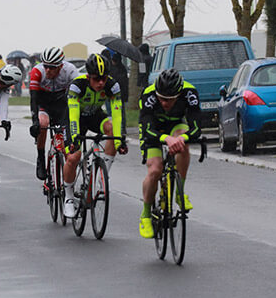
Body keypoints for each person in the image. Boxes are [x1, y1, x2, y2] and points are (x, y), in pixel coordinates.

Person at [138, 68, 201, 239]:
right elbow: (147, 129)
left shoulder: (189, 93)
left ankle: (180, 193)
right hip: (154, 130)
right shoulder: (148, 95)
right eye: (162, 99)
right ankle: (145, 215)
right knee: (155, 171)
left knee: (183, 143)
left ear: (178, 94)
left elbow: (196, 127)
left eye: (170, 100)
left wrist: (182, 139)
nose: (165, 103)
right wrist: (166, 139)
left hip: (175, 126)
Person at [62, 54, 128, 217]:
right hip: (74, 118)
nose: (101, 83)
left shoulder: (112, 86)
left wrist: (120, 140)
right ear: (88, 76)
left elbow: (118, 114)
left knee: (113, 130)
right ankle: (69, 197)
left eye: (104, 79)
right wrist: (75, 138)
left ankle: (101, 176)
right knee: (73, 157)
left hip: (95, 116)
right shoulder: (77, 86)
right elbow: (74, 115)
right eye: (96, 79)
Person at [29, 46, 79, 181]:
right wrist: (35, 122)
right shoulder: (37, 72)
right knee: (43, 123)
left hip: (61, 105)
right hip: (43, 103)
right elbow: (33, 99)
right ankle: (40, 157)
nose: (47, 70)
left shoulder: (70, 71)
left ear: (60, 66)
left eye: (52, 67)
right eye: (45, 66)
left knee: (65, 144)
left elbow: (79, 94)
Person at [0, 64, 23, 183]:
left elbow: (4, 104)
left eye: (6, 84)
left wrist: (5, 120)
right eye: (2, 80)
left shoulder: (5, 88)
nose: (2, 85)